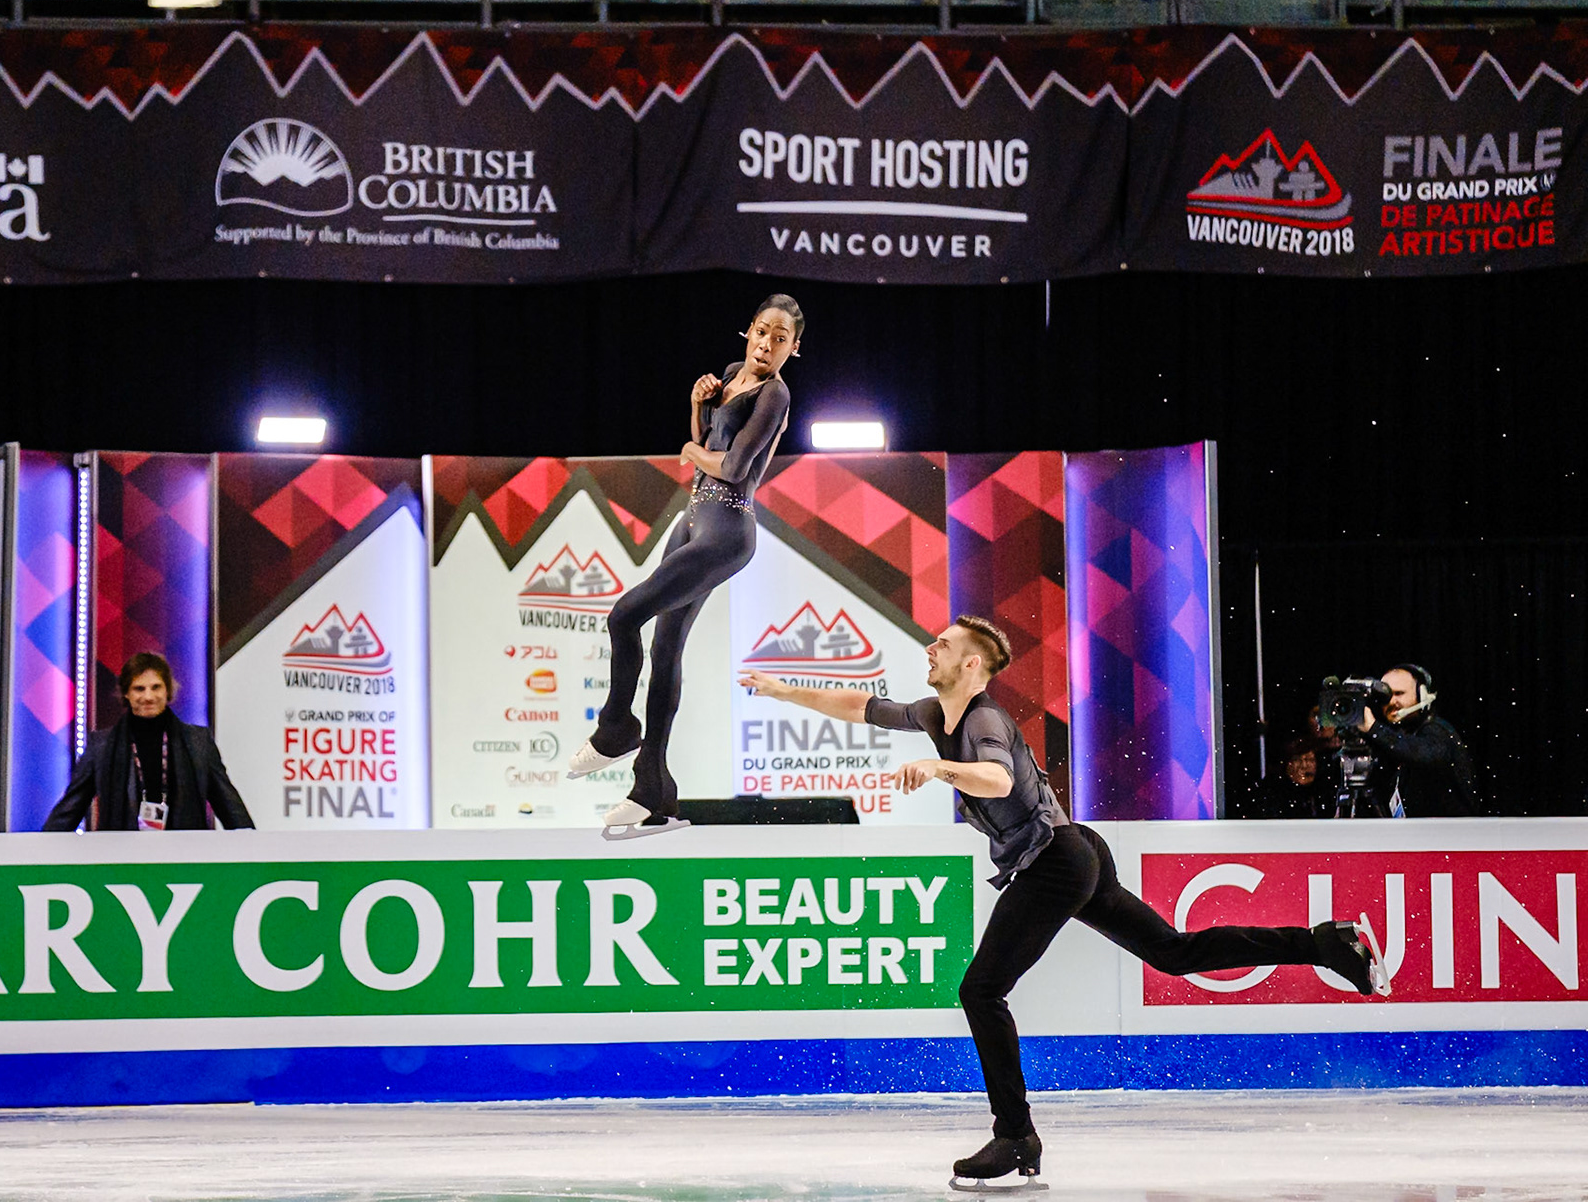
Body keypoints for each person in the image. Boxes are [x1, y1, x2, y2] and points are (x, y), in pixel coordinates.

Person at [739, 614, 1392, 1191]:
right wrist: (782, 691)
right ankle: (1324, 943)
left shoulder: (985, 719)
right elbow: (859, 706)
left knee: (981, 990)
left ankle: (1015, 1135)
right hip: (1075, 851)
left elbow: (994, 777)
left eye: (943, 643)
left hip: (1056, 862)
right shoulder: (934, 714)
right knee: (1172, 953)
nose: (929, 647)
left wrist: (940, 770)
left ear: (972, 664)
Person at [568, 294, 798, 839]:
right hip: (693, 517)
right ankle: (653, 790)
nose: (766, 344)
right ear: (748, 330)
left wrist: (691, 450)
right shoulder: (732, 373)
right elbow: (705, 442)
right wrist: (698, 407)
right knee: (665, 645)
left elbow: (735, 467)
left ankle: (616, 729)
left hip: (726, 531)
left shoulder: (775, 395)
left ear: (793, 347)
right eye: (761, 331)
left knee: (624, 616)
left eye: (780, 338)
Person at [44, 651, 256, 831]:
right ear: (126, 693)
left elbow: (228, 805)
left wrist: (254, 849)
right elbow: (70, 810)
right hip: (120, 861)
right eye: (139, 688)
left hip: (186, 859)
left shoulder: (198, 742)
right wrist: (37, 853)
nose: (148, 696)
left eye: (156, 687)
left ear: (168, 691)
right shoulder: (101, 746)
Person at [1350, 663, 1479, 817]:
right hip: (1421, 837)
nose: (1391, 702)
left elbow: (1422, 753)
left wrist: (1373, 729)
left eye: (1399, 693)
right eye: (1386, 695)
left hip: (1448, 838)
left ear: (1422, 694)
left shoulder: (1438, 730)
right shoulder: (1397, 740)